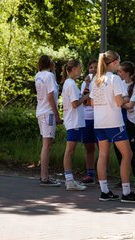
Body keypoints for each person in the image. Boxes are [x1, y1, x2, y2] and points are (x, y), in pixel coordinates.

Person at [90, 50, 135, 203]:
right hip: (114, 122)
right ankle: (126, 192)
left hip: (99, 122)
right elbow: (120, 102)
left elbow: (92, 102)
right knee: (128, 155)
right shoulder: (114, 79)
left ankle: (104, 191)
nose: (119, 66)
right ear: (113, 63)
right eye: (118, 63)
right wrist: (125, 97)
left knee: (102, 155)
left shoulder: (96, 79)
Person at [114, 61, 135, 190]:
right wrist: (122, 102)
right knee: (119, 151)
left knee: (132, 150)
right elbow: (118, 101)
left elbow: (130, 105)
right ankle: (123, 178)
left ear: (128, 73)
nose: (118, 73)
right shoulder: (118, 83)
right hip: (119, 121)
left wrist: (121, 102)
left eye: (120, 71)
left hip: (130, 122)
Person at [62, 59, 90, 191]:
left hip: (74, 121)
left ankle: (70, 180)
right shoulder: (71, 84)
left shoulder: (71, 83)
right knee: (69, 151)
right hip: (73, 122)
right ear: (73, 69)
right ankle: (69, 181)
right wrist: (88, 96)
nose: (81, 70)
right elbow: (75, 104)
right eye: (79, 67)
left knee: (70, 151)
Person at [35, 55, 62, 187]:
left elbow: (52, 89)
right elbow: (51, 96)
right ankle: (44, 177)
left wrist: (53, 70)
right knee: (47, 145)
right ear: (49, 63)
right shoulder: (49, 76)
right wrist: (57, 115)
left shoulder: (38, 75)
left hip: (41, 111)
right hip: (48, 113)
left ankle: (44, 176)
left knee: (46, 144)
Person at [80, 59, 98, 186]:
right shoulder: (84, 83)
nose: (93, 69)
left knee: (103, 148)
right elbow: (84, 101)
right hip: (86, 118)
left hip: (99, 118)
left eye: (96, 67)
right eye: (91, 67)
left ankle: (102, 174)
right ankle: (90, 174)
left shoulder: (101, 82)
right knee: (89, 148)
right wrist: (87, 85)